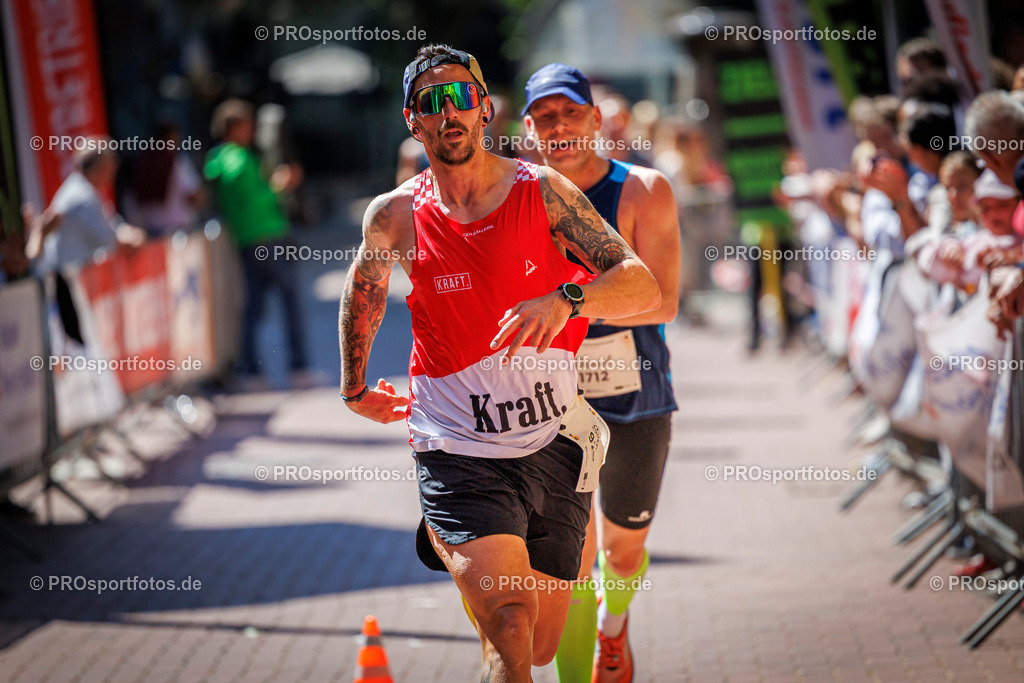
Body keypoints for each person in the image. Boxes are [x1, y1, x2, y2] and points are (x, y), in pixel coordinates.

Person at [338, 44, 660, 682]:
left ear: (484, 108)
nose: (446, 112)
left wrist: (569, 298)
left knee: (540, 644)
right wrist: (353, 387)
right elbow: (365, 290)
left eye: (460, 97)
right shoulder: (395, 214)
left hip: (554, 439)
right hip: (455, 443)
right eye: (430, 103)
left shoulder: (541, 191)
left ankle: (443, 536)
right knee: (508, 627)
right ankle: (453, 524)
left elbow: (640, 284)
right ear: (413, 119)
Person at [522, 63, 681, 682]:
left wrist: (569, 301)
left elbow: (663, 299)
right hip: (552, 400)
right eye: (544, 118)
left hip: (636, 395)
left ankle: (614, 630)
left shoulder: (643, 189)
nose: (558, 127)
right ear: (529, 129)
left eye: (569, 113)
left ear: (595, 118)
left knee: (621, 547)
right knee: (570, 553)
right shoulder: (520, 195)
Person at [204, 98, 310, 388]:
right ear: (234, 127)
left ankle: (250, 368)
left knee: (253, 306)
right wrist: (279, 185)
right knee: (288, 303)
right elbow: (255, 199)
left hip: (248, 240)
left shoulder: (218, 159)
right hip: (267, 237)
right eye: (247, 126)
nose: (251, 132)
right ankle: (297, 366)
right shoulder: (237, 159)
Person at [35, 141, 147, 271]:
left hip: (71, 274)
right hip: (65, 279)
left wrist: (131, 234)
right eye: (111, 165)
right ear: (100, 168)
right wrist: (133, 237)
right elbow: (108, 240)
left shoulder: (85, 188)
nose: (115, 169)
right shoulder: (82, 196)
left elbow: (112, 223)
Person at [132, 121, 205, 236]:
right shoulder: (177, 162)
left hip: (151, 229)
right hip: (178, 231)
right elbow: (194, 196)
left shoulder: (143, 162)